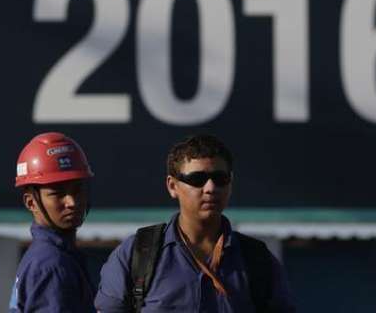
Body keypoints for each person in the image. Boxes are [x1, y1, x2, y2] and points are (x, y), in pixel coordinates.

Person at [95, 134, 295, 313]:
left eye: (220, 178)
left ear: (230, 183)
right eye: (197, 179)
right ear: (172, 186)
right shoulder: (137, 253)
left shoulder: (257, 258)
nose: (210, 188)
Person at [9, 132, 97, 313]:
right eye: (57, 194)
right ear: (31, 202)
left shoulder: (52, 257)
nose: (71, 202)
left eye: (77, 190)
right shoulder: (51, 264)